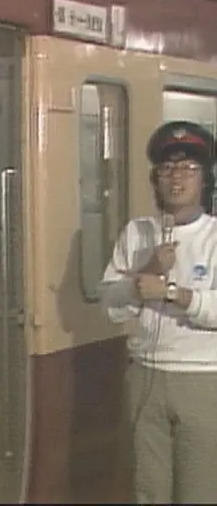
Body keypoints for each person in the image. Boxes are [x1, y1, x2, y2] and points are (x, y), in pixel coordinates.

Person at [100, 120, 217, 504]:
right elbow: (111, 308)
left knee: (200, 491)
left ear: (205, 179)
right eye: (167, 168)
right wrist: (147, 270)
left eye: (188, 168)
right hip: (145, 377)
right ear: (155, 179)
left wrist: (171, 293)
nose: (176, 177)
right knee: (149, 489)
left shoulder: (213, 235)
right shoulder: (137, 233)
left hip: (203, 379)